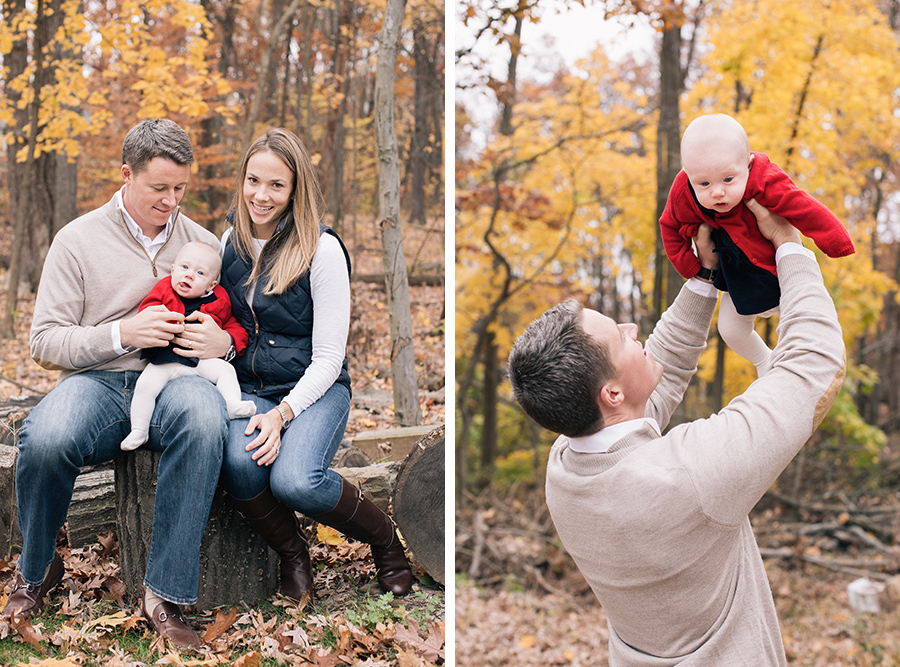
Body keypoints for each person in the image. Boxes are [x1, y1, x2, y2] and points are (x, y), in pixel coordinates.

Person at [508, 202, 846, 664]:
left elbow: (644, 389)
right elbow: (812, 368)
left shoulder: (564, 466)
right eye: (620, 336)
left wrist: (706, 277)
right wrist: (790, 247)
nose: (631, 328)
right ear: (608, 393)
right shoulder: (687, 475)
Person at [2, 119, 233, 649]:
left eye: (180, 188)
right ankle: (36, 571)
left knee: (204, 415)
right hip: (100, 383)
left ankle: (165, 594)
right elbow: (44, 342)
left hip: (176, 382)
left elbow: (237, 328)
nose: (171, 201)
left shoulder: (202, 243)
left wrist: (225, 346)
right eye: (159, 189)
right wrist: (121, 333)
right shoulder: (77, 239)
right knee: (47, 435)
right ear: (126, 174)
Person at [218, 127, 413, 601]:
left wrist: (282, 415)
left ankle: (385, 540)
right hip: (249, 388)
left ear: (295, 189)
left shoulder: (322, 251)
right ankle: (293, 556)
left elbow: (329, 358)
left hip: (316, 390)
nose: (260, 196)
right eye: (253, 181)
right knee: (238, 466)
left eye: (276, 185)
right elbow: (230, 326)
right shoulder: (229, 242)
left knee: (295, 480)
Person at [660, 113, 854, 375]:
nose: (717, 192)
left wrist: (835, 241)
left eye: (728, 180)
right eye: (704, 183)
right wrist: (689, 265)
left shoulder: (764, 177)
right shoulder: (684, 193)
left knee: (797, 320)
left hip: (777, 269)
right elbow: (669, 225)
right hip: (735, 273)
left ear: (748, 165)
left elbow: (801, 205)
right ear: (688, 175)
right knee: (729, 330)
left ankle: (806, 364)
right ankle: (764, 361)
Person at [121, 241, 256, 451]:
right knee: (145, 387)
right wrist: (167, 322)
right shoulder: (164, 290)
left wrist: (228, 339)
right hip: (164, 359)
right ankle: (139, 429)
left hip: (200, 362)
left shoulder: (219, 299)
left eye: (200, 273)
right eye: (184, 267)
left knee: (226, 371)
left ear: (211, 284)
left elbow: (232, 325)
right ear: (173, 269)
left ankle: (231, 404)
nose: (189, 275)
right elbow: (148, 310)